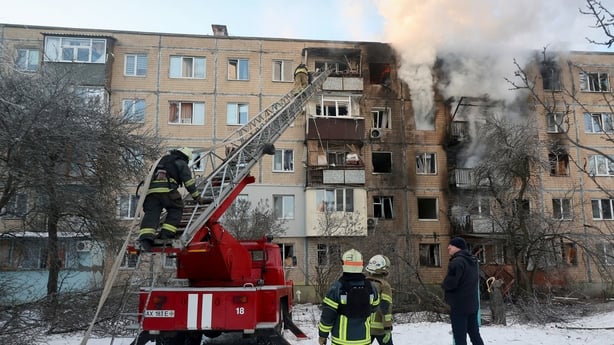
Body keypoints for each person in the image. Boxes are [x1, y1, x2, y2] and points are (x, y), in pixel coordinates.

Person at [138, 147, 206, 251]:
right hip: (168, 191)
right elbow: (189, 183)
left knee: (151, 214)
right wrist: (197, 197)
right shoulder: (181, 163)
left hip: (151, 193)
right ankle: (166, 234)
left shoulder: (161, 160)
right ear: (186, 158)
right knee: (176, 209)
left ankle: (146, 240)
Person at [318, 249, 379, 345]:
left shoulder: (337, 288)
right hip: (364, 340)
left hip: (341, 341)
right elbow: (374, 309)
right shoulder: (371, 287)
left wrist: (322, 335)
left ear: (343, 264)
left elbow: (328, 316)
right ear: (361, 264)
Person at [441, 237, 485, 345]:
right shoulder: (473, 261)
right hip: (472, 305)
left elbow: (451, 283)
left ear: (457, 247)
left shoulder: (457, 262)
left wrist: (444, 285)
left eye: (450, 245)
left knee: (460, 337)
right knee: (474, 334)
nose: (448, 248)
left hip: (459, 306)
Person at [365, 254, 394, 345]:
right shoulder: (384, 286)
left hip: (364, 327)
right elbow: (385, 308)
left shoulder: (362, 283)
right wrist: (387, 328)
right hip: (380, 328)